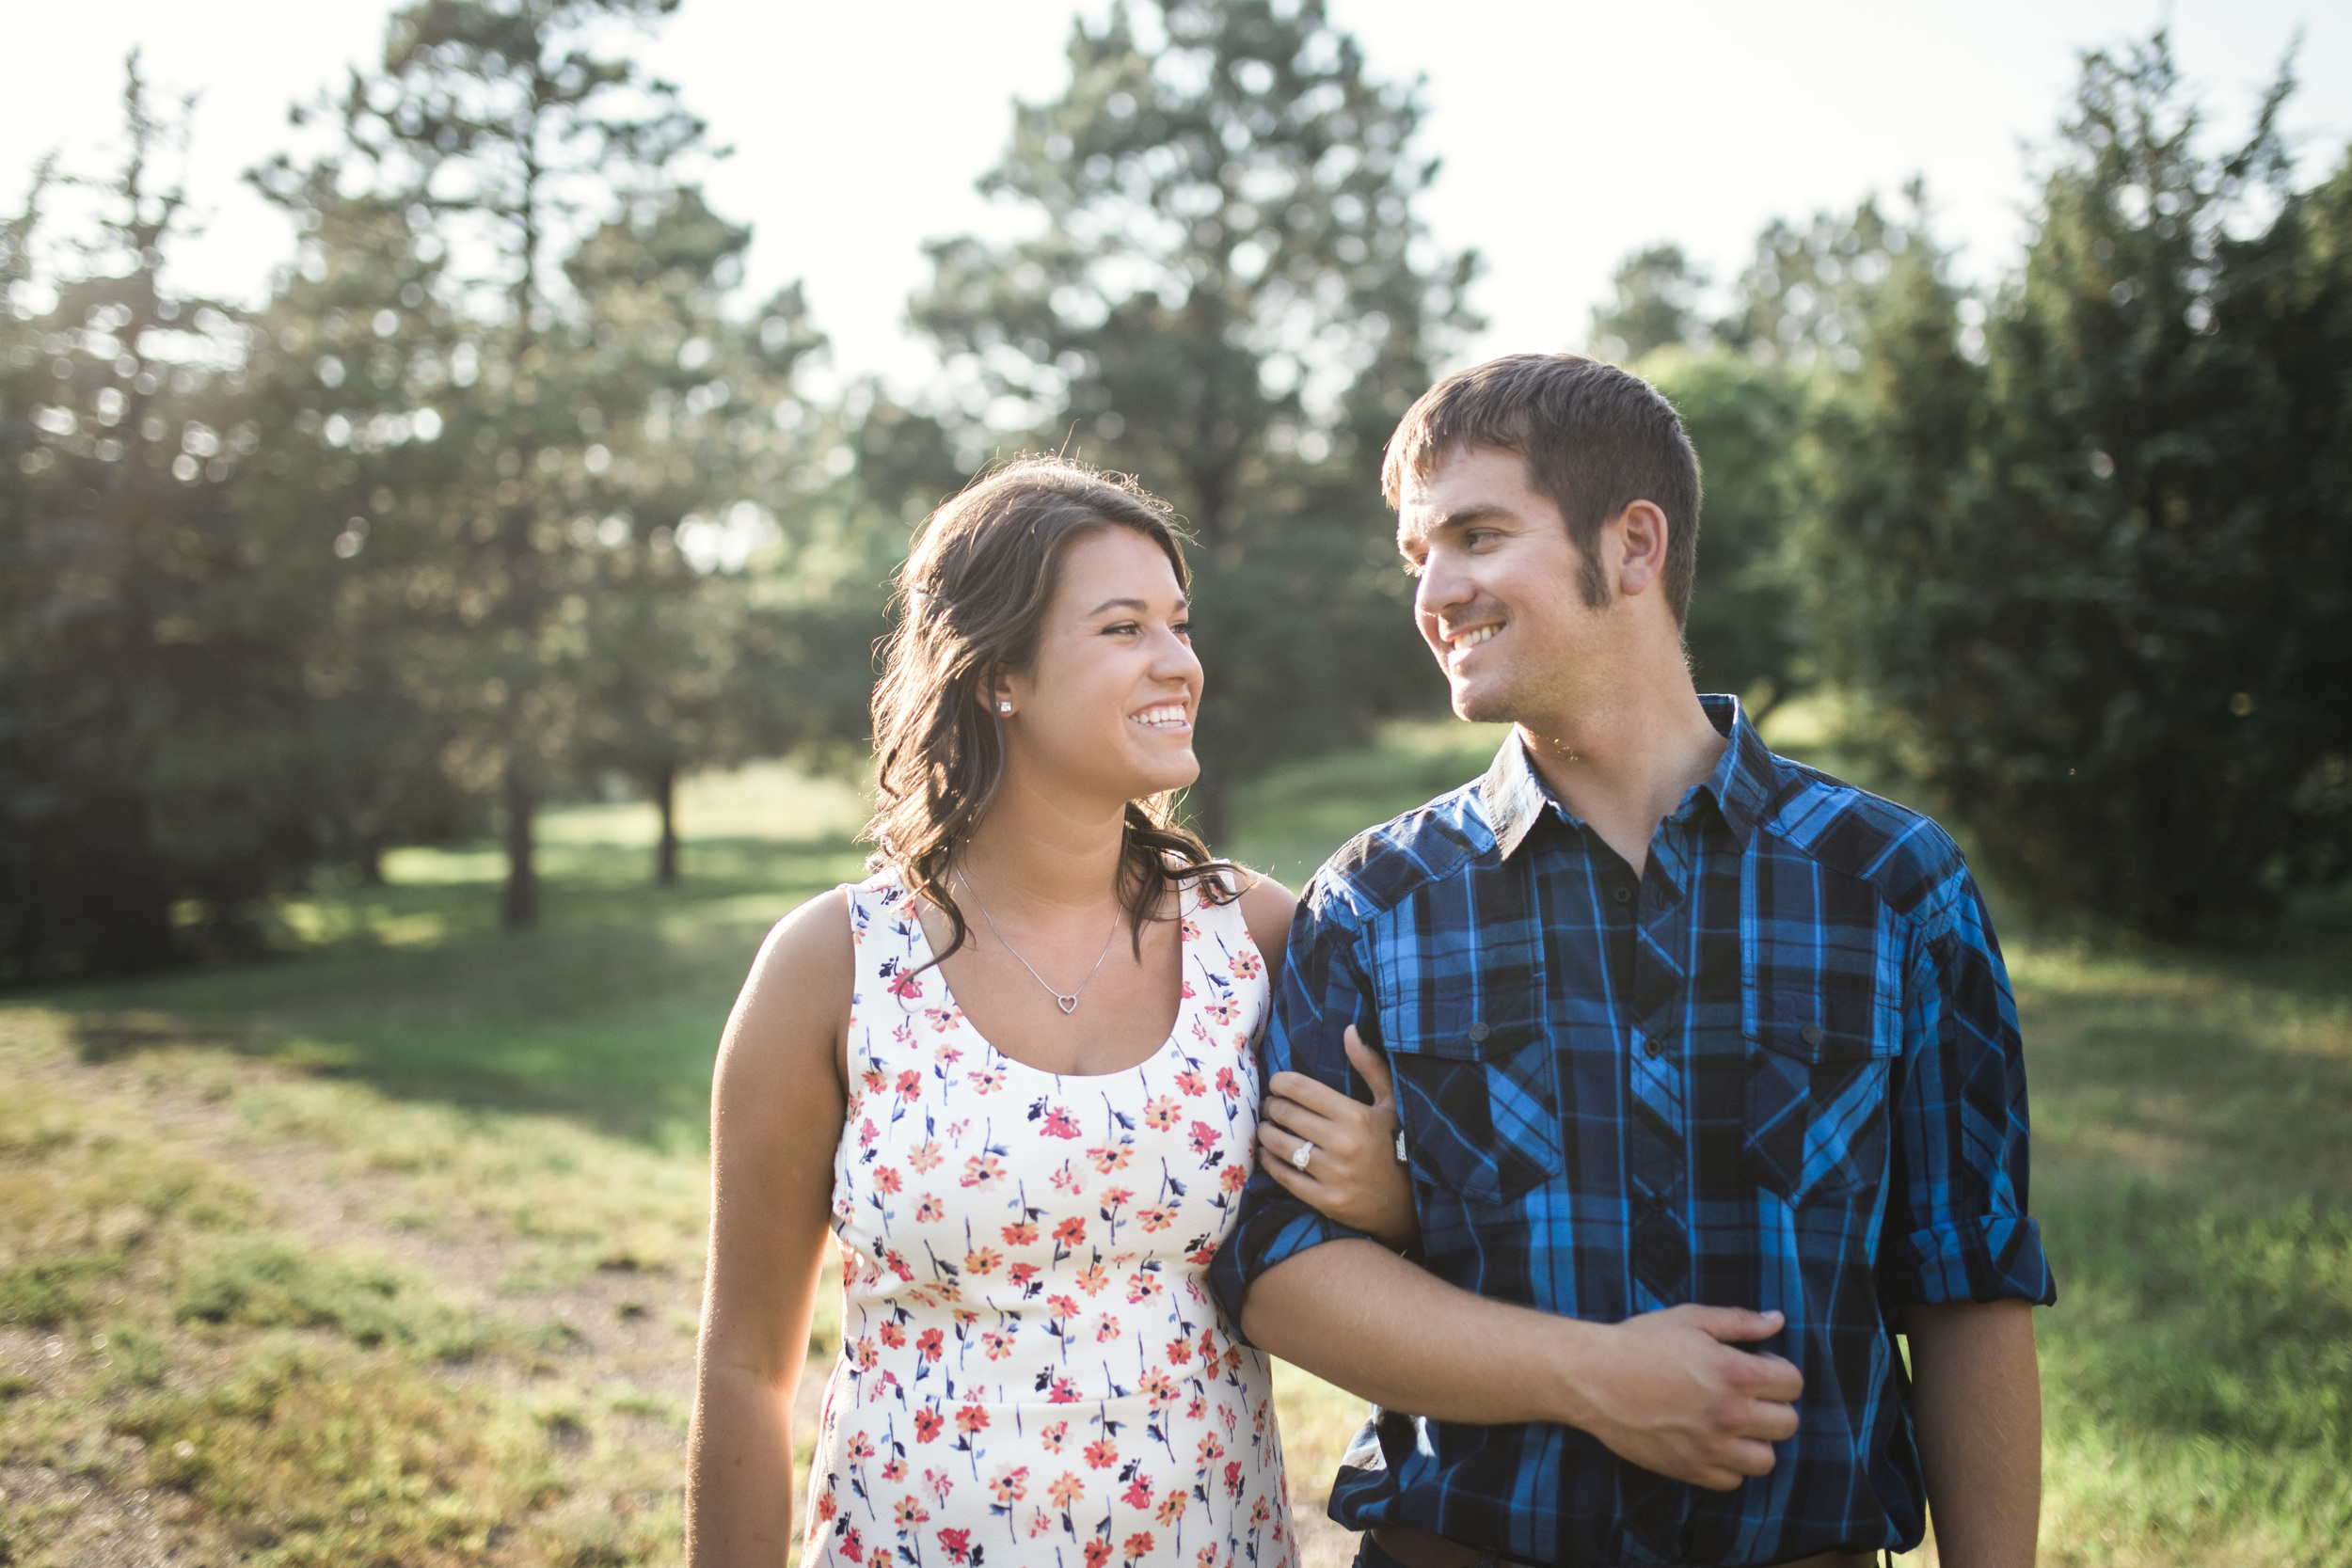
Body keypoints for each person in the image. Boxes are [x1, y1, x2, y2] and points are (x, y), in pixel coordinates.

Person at [1214, 354, 2057, 1568]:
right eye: (1417, 556)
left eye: (1478, 535)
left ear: (1635, 544)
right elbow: (1280, 1265)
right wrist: (1595, 1374)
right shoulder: (1377, 898)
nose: (1435, 591)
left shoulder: (1893, 884)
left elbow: (1968, 1278)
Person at [685, 457, 1416, 1568]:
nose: (1178, 661)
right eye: (1123, 628)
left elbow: (1415, 1244)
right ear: (999, 677)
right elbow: (746, 1366)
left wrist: (1391, 1193)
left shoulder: (1258, 936)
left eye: (1179, 622)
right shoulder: (830, 965)